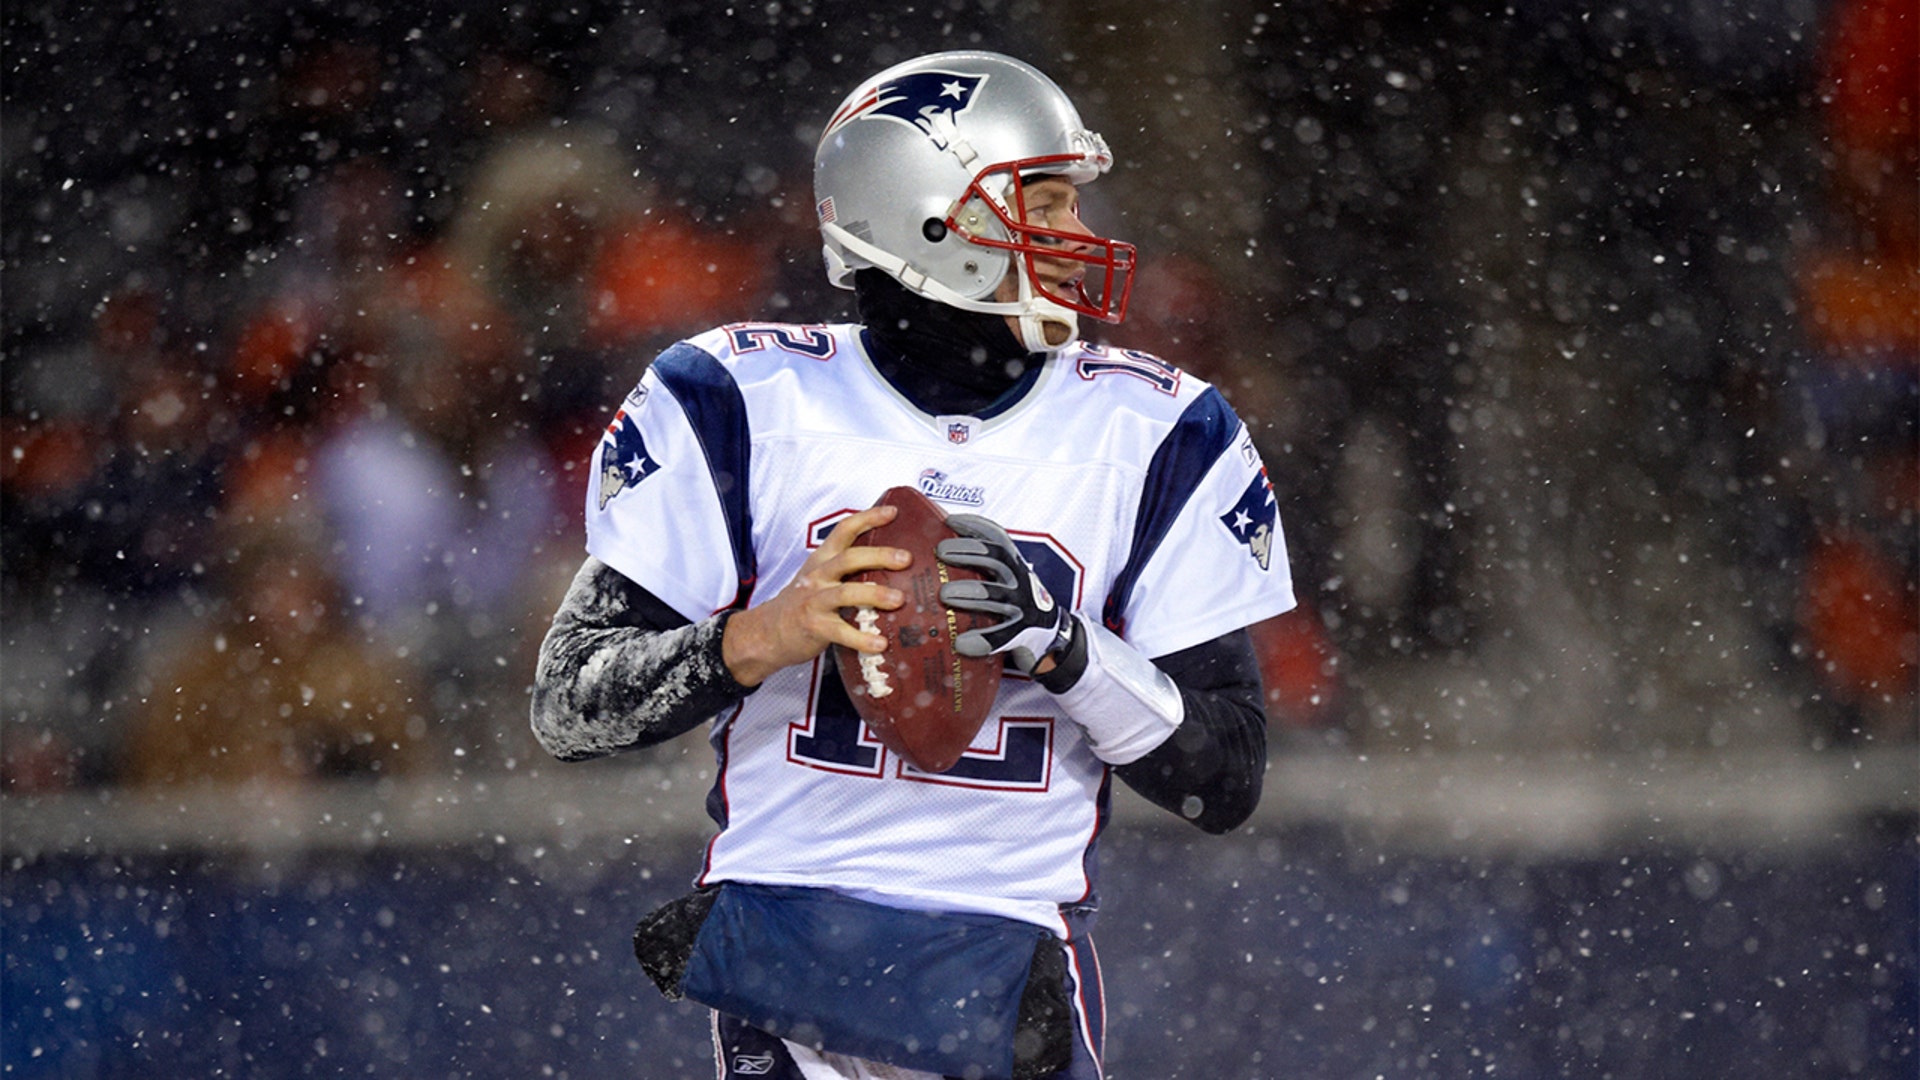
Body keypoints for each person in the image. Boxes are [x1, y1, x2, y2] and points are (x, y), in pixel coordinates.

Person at [530, 51, 1297, 1079]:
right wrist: (763, 635)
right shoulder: (738, 397)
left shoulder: (1160, 428)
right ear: (932, 216)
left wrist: (1062, 649)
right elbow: (571, 705)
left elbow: (1227, 776)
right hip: (789, 951)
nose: (1078, 238)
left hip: (1008, 966)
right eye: (1047, 203)